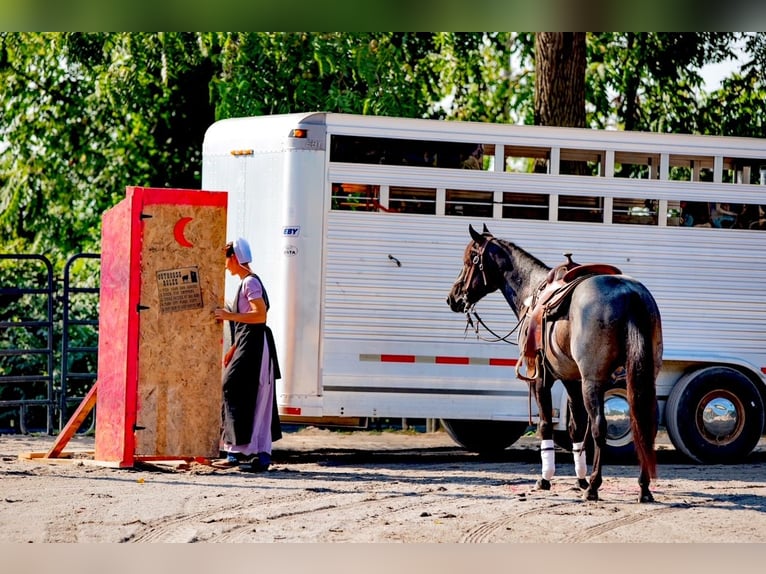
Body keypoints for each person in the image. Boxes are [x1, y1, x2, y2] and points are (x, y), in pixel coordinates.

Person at [213, 237, 282, 471]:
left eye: (226, 258)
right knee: (249, 393)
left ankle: (240, 453)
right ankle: (252, 454)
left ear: (234, 258)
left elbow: (259, 315)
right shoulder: (246, 282)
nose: (225, 264)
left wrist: (227, 315)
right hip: (248, 343)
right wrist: (233, 349)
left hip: (254, 344)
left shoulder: (249, 283)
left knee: (232, 387)